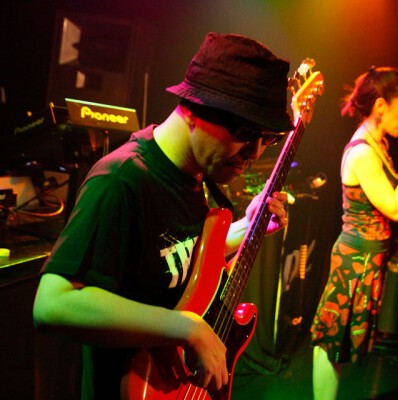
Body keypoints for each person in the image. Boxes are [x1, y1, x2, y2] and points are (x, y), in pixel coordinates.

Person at [33, 32, 294, 399]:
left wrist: (247, 227)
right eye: (245, 132)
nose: (254, 152)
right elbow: (53, 304)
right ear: (192, 109)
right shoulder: (122, 179)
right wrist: (185, 328)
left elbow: (175, 254)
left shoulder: (196, 174)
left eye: (267, 138)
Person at [311, 66, 398, 400]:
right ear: (381, 106)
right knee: (331, 341)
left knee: (342, 344)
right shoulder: (363, 152)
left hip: (368, 260)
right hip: (355, 262)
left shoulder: (378, 143)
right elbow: (395, 208)